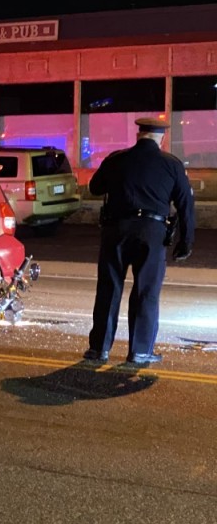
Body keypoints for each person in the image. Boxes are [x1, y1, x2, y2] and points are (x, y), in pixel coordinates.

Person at [84, 117, 195, 366]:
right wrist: (185, 241)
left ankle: (99, 349)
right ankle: (140, 351)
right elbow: (186, 205)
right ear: (161, 138)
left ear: (138, 135)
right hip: (152, 233)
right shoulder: (172, 164)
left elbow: (94, 187)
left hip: (116, 230)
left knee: (108, 290)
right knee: (146, 292)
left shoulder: (116, 159)